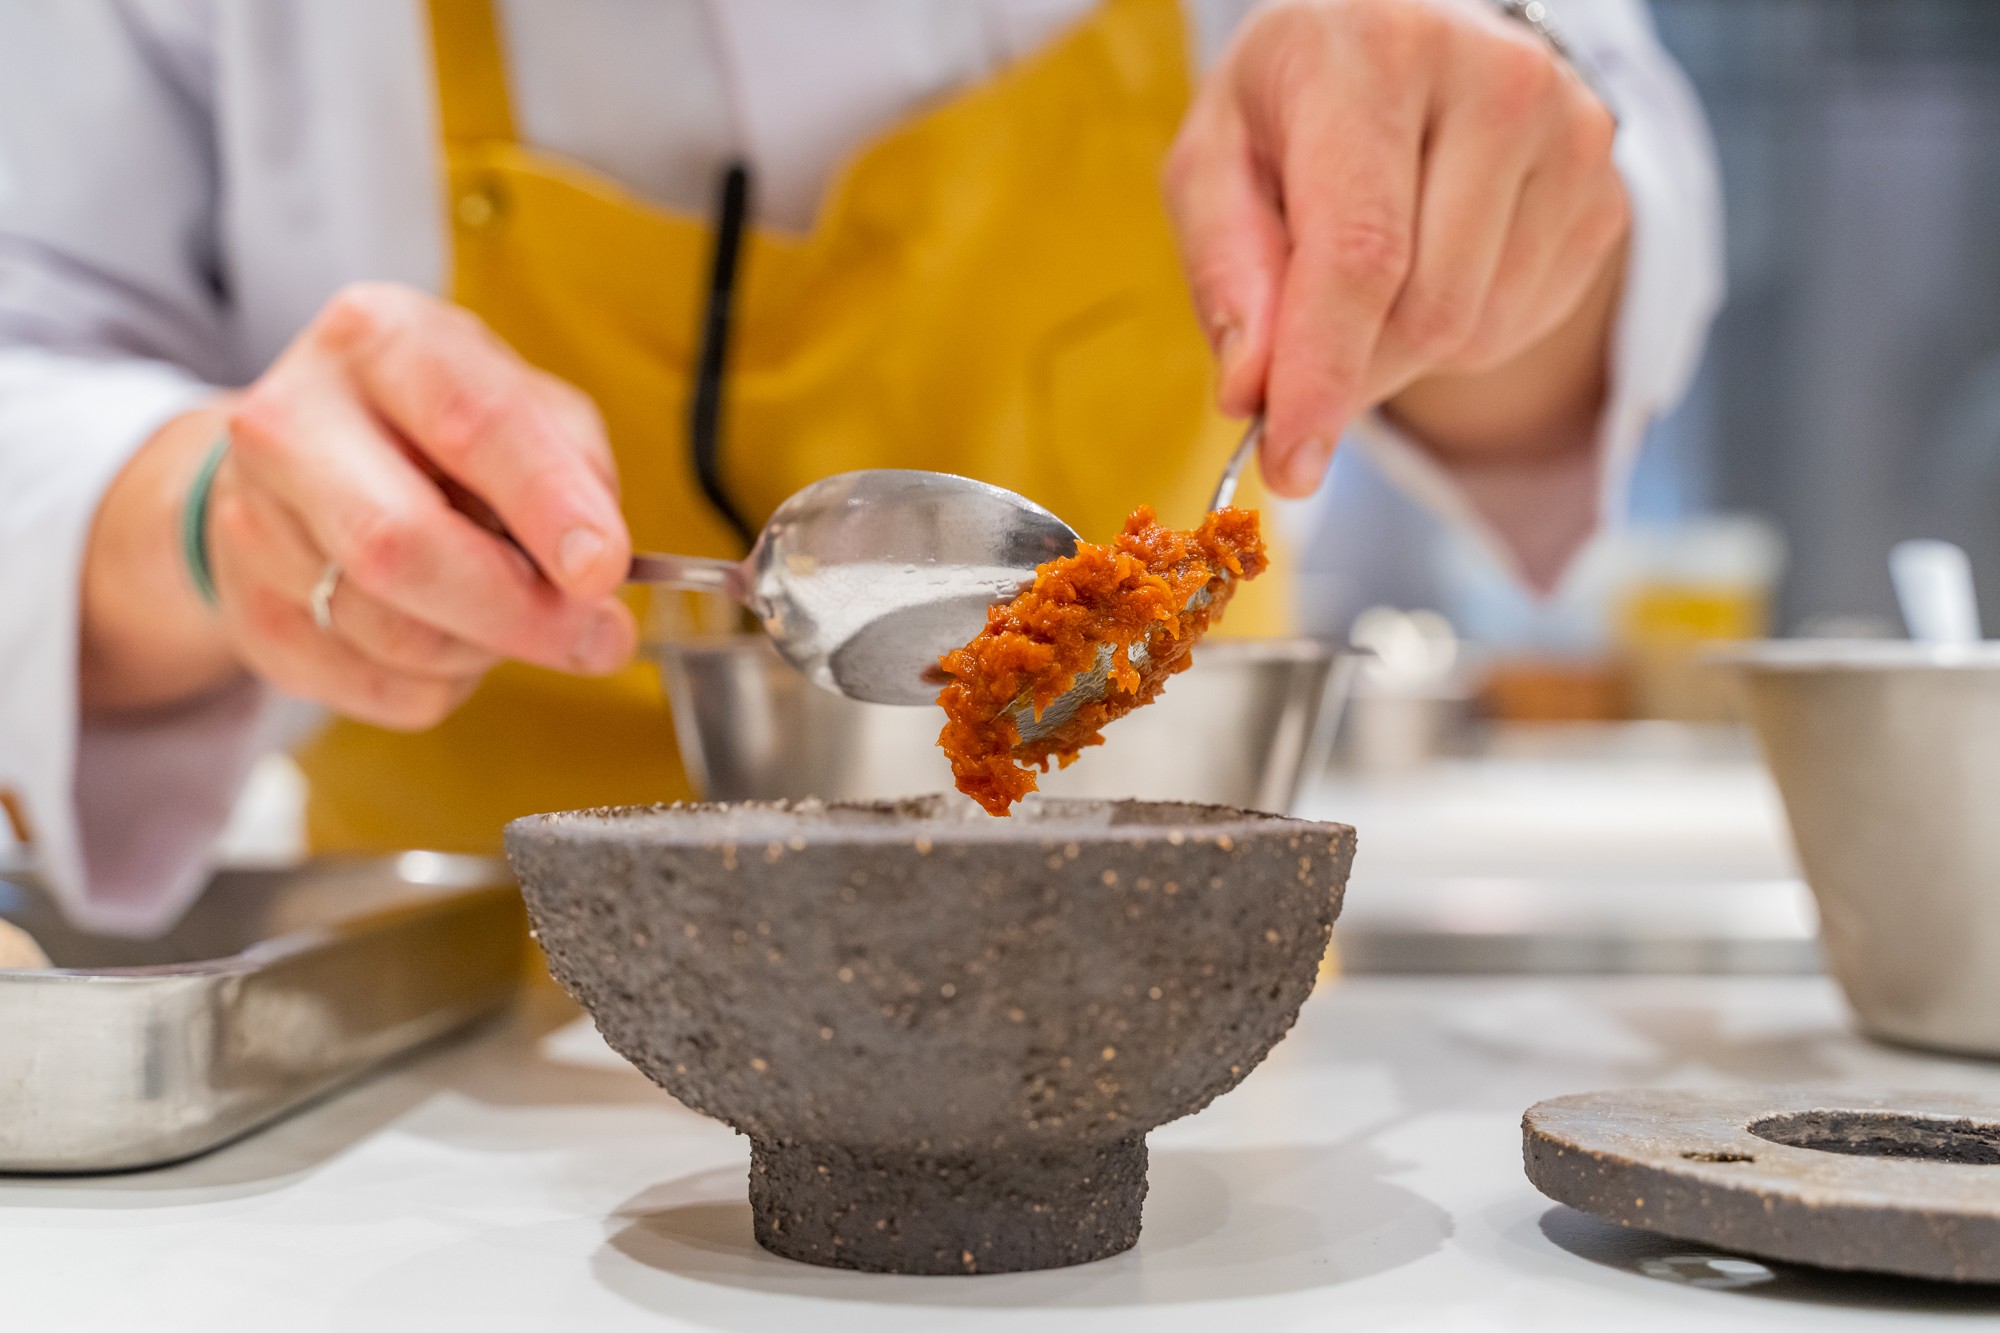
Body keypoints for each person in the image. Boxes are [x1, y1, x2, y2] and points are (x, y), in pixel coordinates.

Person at [0, 0, 1718, 934]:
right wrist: (212, 513)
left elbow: (1591, 273)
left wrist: (1474, 167)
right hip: (478, 1017)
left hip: (1169, 982)